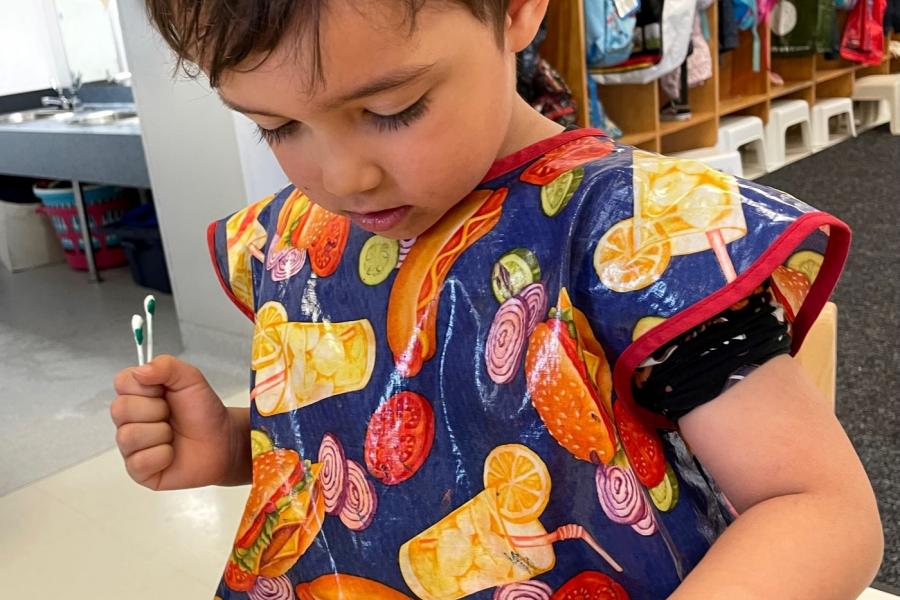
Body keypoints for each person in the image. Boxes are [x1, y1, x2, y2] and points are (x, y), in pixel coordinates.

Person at [110, 1, 884, 598]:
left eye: (392, 110)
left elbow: (819, 509)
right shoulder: (298, 240)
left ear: (516, 9)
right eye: (276, 127)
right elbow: (374, 435)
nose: (341, 178)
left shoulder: (630, 235)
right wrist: (238, 444)